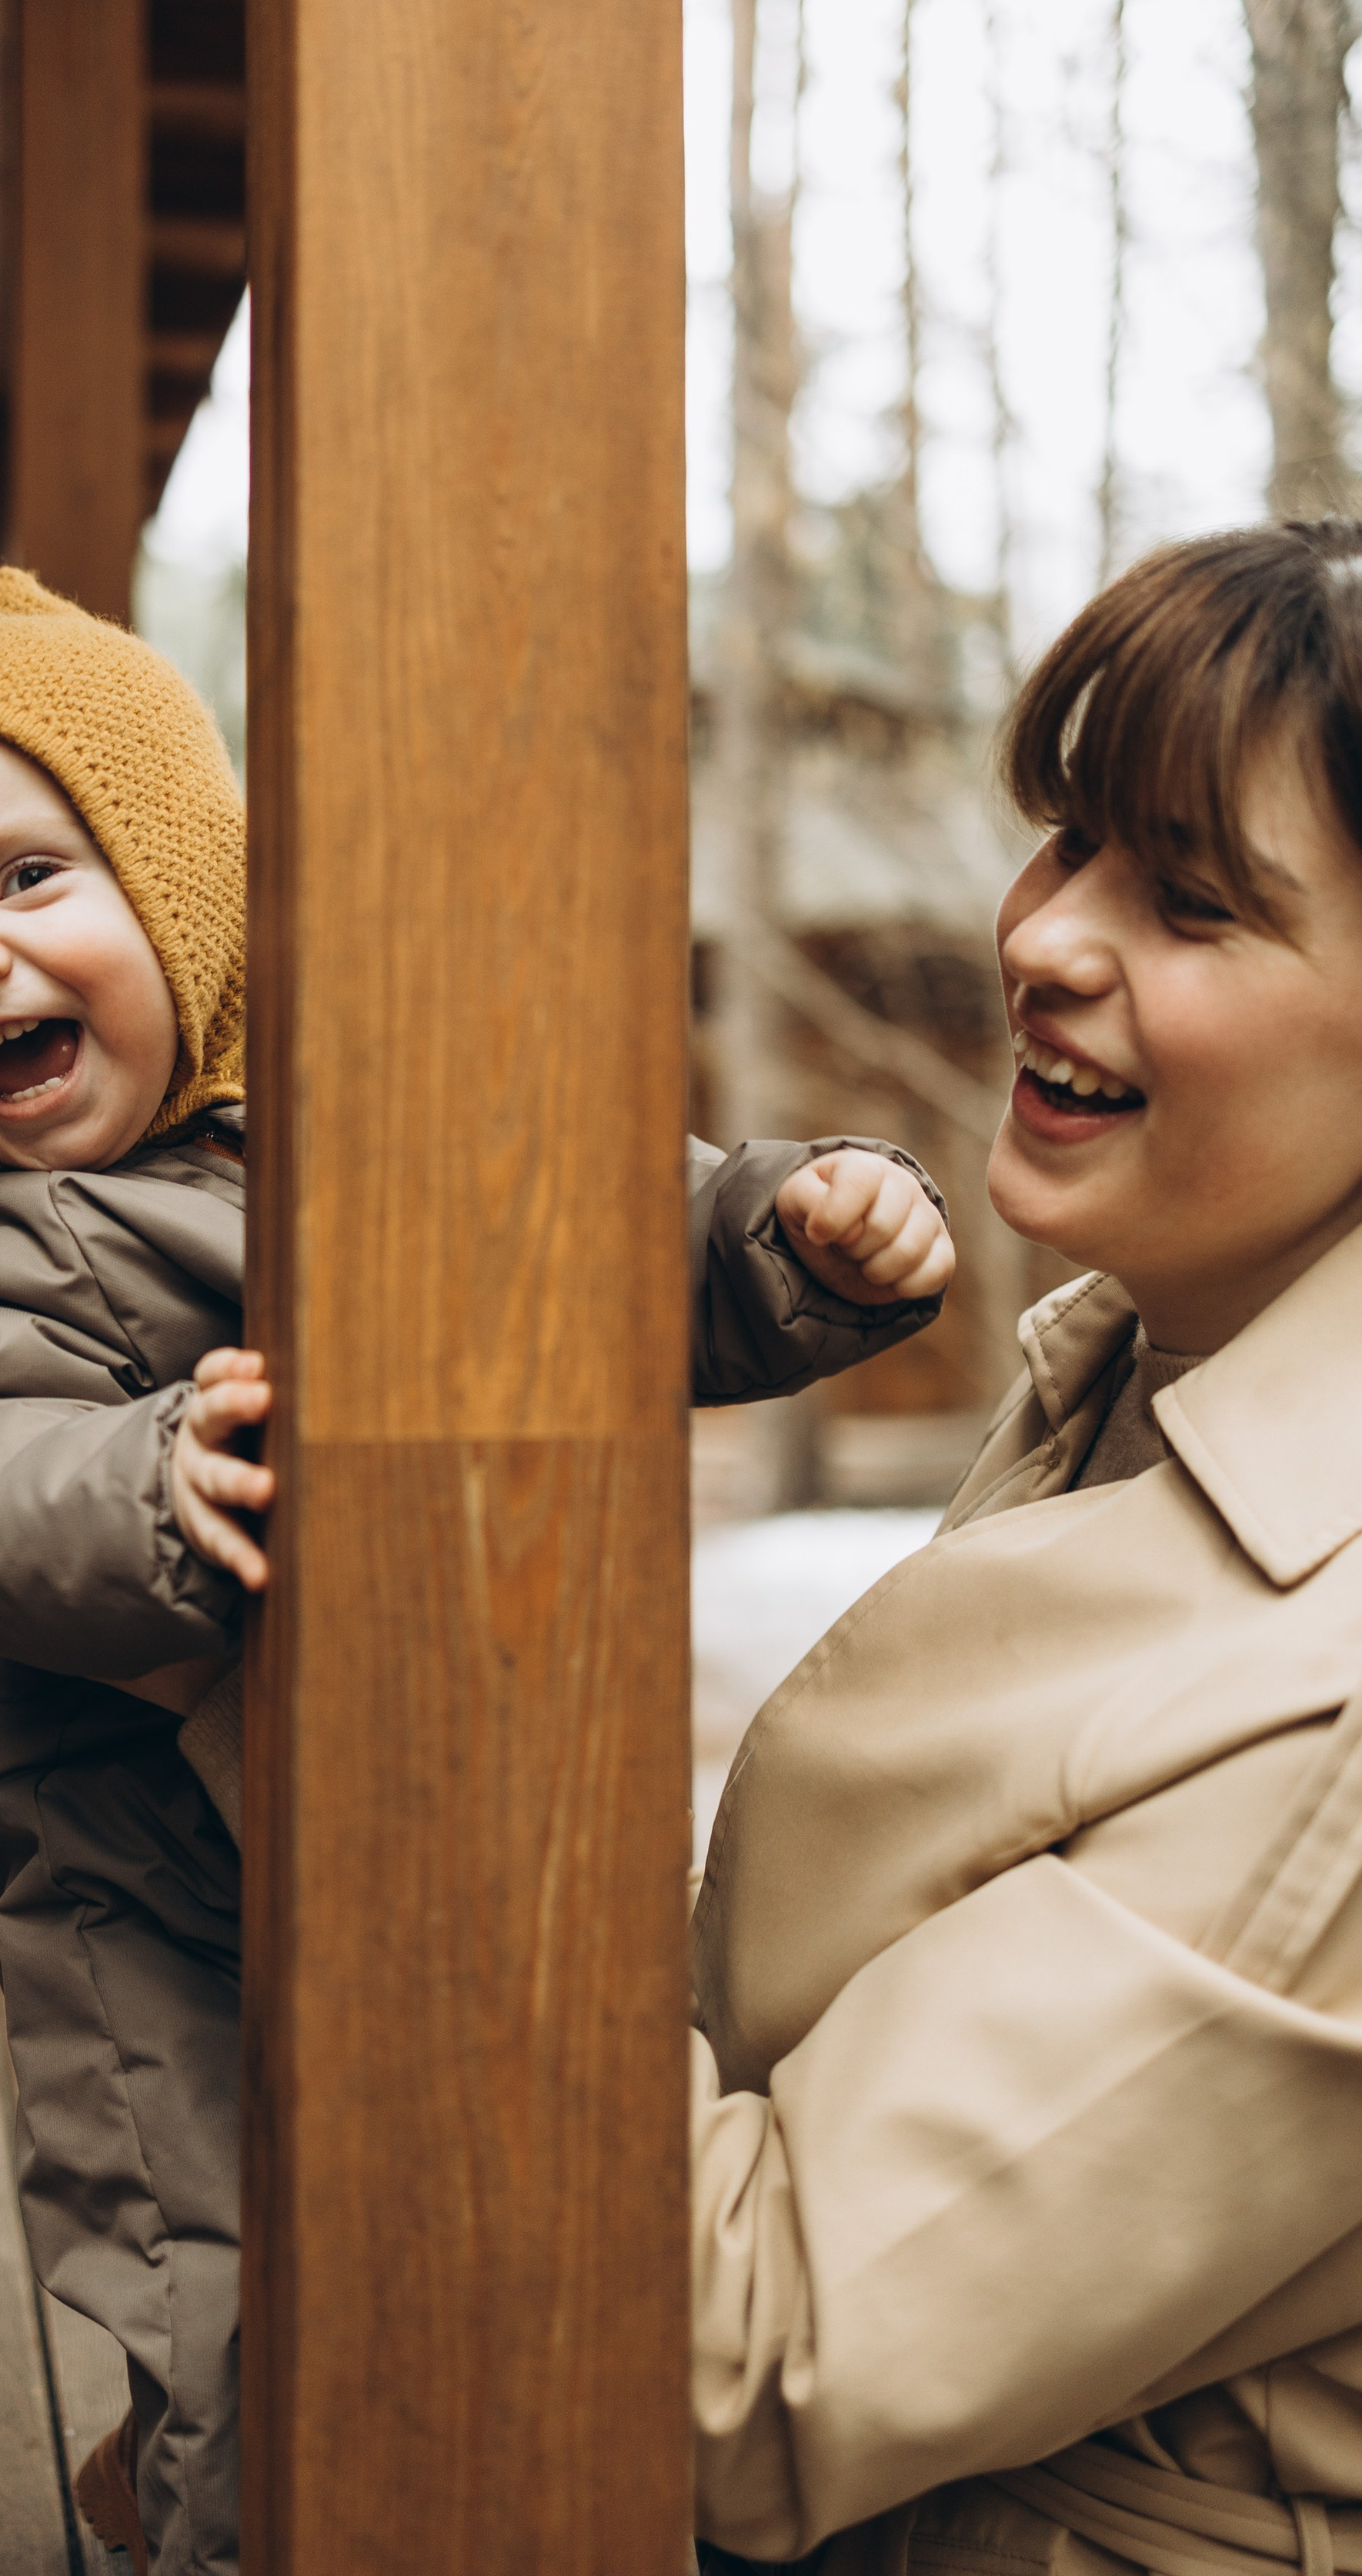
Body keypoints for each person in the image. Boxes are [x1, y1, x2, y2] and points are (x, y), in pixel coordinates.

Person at [0, 566, 956, 2576]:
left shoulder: (365, 1112)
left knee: (512, 2264)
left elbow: (607, 1222)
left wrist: (791, 1232)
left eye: (27, 879)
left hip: (444, 1842)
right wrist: (152, 1485)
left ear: (183, 888)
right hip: (154, 1913)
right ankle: (203, 2522)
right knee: (231, 2322)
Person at [689, 517, 1362, 2576]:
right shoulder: (1144, 1374)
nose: (1047, 937)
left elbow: (760, 2358)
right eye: (1064, 838)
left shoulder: (1338, 1690)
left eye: (1184, 898)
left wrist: (403, 1815)